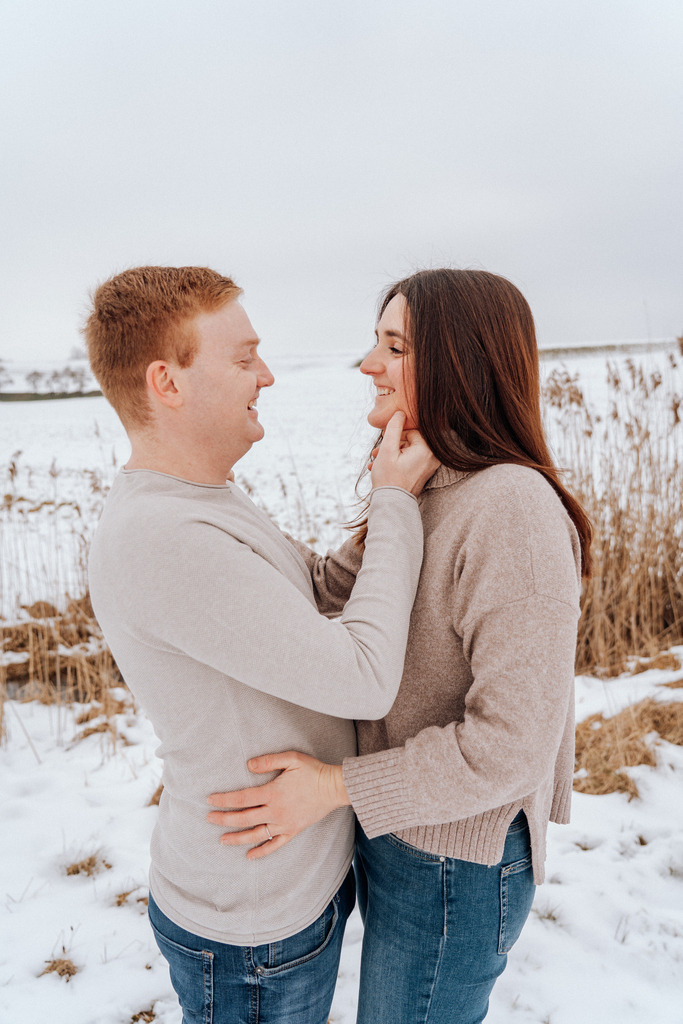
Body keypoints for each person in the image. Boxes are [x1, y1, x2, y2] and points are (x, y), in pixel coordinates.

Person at [208, 268, 591, 1024]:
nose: (366, 366)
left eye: (393, 346)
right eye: (373, 343)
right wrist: (207, 503)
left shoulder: (510, 508)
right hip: (403, 835)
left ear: (458, 362)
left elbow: (509, 747)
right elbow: (325, 596)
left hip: (455, 863)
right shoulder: (427, 480)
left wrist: (330, 786)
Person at [85, 265, 438, 1024]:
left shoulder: (203, 497)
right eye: (243, 358)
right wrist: (395, 502)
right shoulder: (165, 539)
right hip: (250, 933)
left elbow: (308, 591)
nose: (267, 375)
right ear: (167, 383)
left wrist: (387, 509)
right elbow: (364, 677)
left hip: (285, 889)